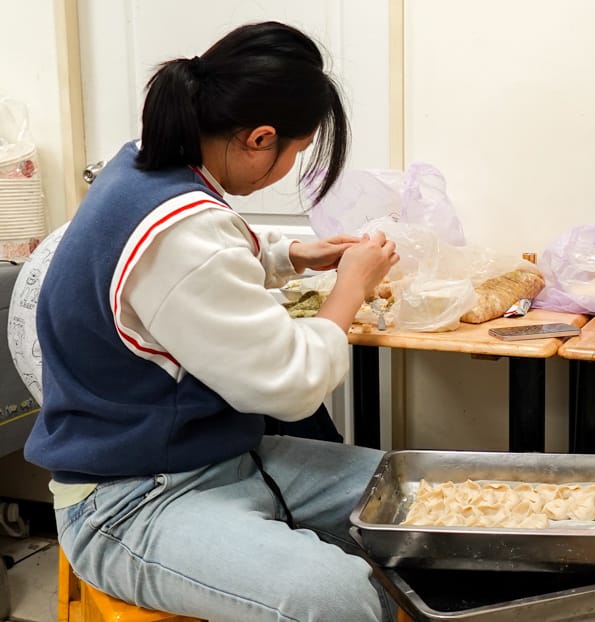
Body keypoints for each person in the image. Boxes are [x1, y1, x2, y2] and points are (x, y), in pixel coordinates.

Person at [23, 22, 400, 622]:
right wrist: (352, 285)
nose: (291, 165)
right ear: (259, 138)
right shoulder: (181, 228)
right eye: (297, 153)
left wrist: (290, 255)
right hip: (128, 501)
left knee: (410, 495)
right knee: (336, 597)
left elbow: (197, 266)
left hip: (211, 461)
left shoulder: (143, 169)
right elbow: (291, 384)